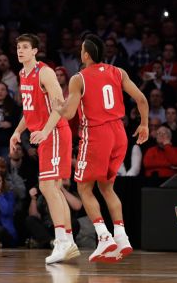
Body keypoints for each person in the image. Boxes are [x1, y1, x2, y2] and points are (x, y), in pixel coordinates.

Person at [57, 34, 149, 263]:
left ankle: (104, 237)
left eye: (81, 50)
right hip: (119, 133)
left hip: (97, 135)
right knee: (107, 188)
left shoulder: (78, 79)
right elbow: (142, 99)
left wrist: (56, 105)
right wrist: (145, 124)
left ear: (86, 54)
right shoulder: (119, 72)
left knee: (84, 188)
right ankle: (122, 237)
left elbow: (69, 114)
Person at [9, 33, 77, 264]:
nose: (20, 51)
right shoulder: (22, 74)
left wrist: (46, 131)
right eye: (18, 47)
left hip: (55, 132)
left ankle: (62, 241)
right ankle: (67, 241)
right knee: (54, 189)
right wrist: (17, 131)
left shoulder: (45, 72)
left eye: (25, 47)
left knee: (48, 187)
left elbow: (59, 106)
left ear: (35, 51)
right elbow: (30, 112)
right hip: (45, 134)